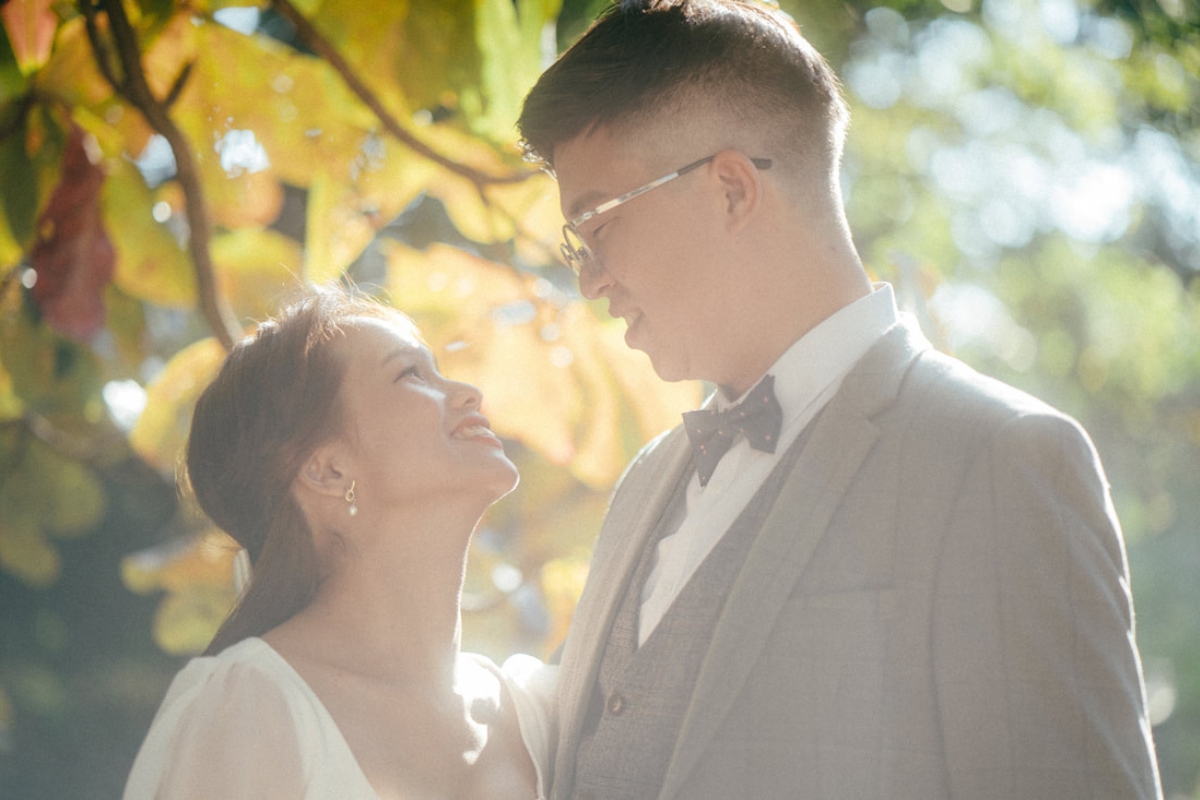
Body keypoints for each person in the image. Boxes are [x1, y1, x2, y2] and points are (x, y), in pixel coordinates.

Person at [517, 1, 1162, 798]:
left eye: (599, 224)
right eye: (576, 243)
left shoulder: (1001, 460)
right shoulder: (646, 482)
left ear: (729, 190)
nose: (589, 279)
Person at [124, 287, 552, 799]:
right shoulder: (253, 705)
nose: (467, 392)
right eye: (411, 374)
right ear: (326, 470)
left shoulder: (531, 713)